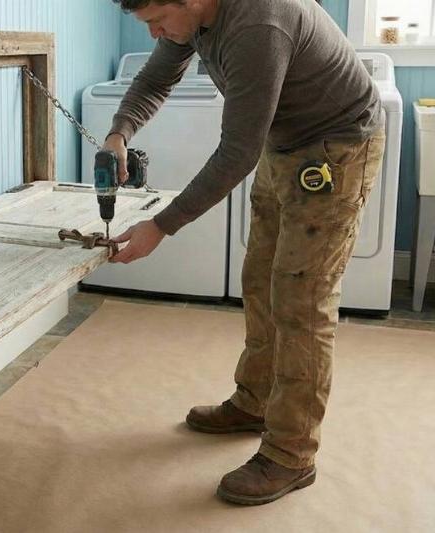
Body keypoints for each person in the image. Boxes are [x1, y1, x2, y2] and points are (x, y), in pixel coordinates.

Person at [105, 0, 385, 505]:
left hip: (337, 147)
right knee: (260, 281)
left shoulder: (258, 24)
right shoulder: (191, 17)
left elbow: (237, 152)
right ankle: (256, 402)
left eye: (156, 21)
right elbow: (153, 81)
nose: (155, 34)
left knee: (301, 303)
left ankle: (292, 455)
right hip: (284, 144)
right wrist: (118, 134)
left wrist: (161, 226)